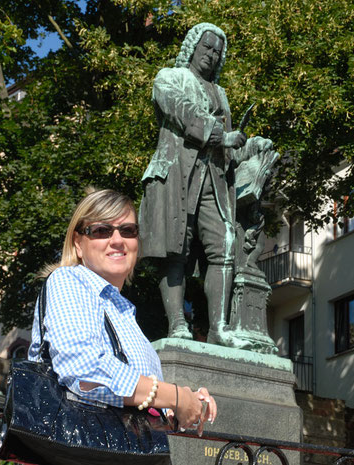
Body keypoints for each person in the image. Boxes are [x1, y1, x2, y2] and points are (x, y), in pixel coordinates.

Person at [28, 188, 217, 437]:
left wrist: (184, 405)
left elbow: (133, 400)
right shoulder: (68, 280)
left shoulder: (121, 312)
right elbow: (85, 370)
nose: (117, 240)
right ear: (78, 243)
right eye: (101, 231)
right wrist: (174, 395)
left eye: (128, 231)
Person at [139, 23, 273, 348]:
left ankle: (219, 329)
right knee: (176, 250)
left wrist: (250, 145)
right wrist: (220, 135)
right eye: (207, 47)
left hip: (214, 179)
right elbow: (183, 113)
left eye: (217, 51)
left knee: (225, 245)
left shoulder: (220, 93)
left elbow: (228, 147)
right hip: (176, 175)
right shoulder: (170, 77)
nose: (211, 55)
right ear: (193, 47)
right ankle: (177, 325)